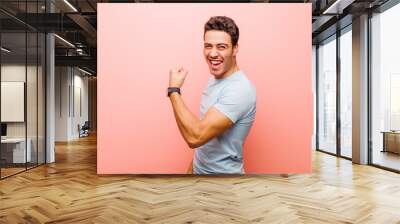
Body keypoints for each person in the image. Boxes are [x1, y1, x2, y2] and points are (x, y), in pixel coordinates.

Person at [167, 16, 256, 174]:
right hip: (199, 172)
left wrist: (174, 90)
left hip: (223, 183)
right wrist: (192, 170)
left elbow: (196, 137)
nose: (213, 54)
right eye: (208, 46)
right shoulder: (215, 78)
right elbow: (205, 143)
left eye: (221, 47)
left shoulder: (239, 89)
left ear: (235, 49)